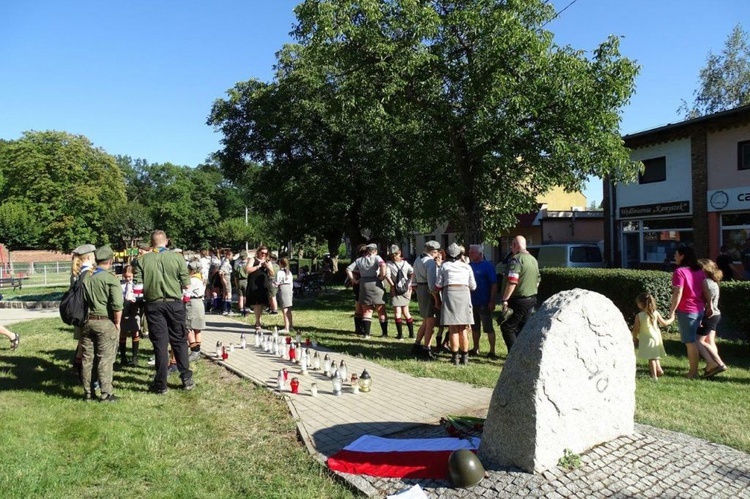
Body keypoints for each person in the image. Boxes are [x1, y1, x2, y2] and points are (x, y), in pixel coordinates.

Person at [133, 230, 194, 394]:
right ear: (166, 241)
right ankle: (186, 378)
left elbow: (137, 288)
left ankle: (161, 384)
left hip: (153, 305)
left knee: (160, 344)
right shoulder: (177, 258)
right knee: (179, 341)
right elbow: (187, 286)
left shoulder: (142, 260)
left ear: (151, 242)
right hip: (174, 304)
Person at [81, 245, 123, 402]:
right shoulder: (110, 278)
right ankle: (106, 393)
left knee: (87, 359)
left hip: (87, 322)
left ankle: (87, 393)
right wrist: (117, 323)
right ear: (110, 261)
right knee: (105, 358)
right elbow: (117, 305)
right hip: (104, 322)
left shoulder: (86, 277)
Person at [667, 245, 711, 380]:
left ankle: (693, 372)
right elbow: (706, 289)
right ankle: (707, 364)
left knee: (690, 341)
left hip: (686, 310)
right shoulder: (699, 271)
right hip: (699, 309)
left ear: (682, 256)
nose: (674, 256)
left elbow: (678, 292)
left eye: (676, 254)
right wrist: (710, 305)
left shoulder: (679, 272)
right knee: (694, 340)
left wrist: (672, 310)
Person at [435, 243, 477, 366]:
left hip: (450, 293)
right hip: (464, 294)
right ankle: (465, 357)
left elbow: (438, 285)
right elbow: (473, 286)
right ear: (460, 254)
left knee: (453, 327)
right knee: (463, 328)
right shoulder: (467, 267)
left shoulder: (444, 266)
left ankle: (455, 358)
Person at [499, 236, 540, 352]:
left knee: (507, 327)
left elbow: (512, 281)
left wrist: (505, 299)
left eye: (512, 246)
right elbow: (537, 280)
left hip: (518, 301)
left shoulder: (516, 260)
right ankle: (525, 353)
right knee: (523, 328)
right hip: (531, 299)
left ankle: (513, 355)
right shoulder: (533, 260)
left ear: (514, 245)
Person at [345, 243, 388, 339]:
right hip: (375, 283)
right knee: (381, 310)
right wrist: (382, 276)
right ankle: (384, 334)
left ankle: (367, 334)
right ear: (375, 250)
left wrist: (354, 280)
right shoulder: (377, 257)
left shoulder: (359, 260)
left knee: (367, 310)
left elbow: (348, 269)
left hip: (364, 284)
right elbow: (383, 265)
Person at [70, 243, 97, 381]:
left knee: (81, 343)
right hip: (87, 313)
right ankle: (84, 375)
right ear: (89, 256)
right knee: (86, 345)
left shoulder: (76, 272)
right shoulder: (88, 273)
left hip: (77, 312)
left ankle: (77, 368)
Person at [697, 258, 728, 378]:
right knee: (710, 341)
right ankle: (711, 364)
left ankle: (718, 364)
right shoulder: (713, 281)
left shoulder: (706, 282)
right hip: (716, 314)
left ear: (704, 270)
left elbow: (706, 301)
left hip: (708, 315)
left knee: (698, 340)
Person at [632, 292, 673, 380]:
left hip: (647, 339)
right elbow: (664, 323)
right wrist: (672, 319)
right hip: (656, 337)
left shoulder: (639, 316)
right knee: (655, 355)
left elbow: (636, 328)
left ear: (641, 304)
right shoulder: (656, 313)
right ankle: (659, 369)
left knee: (651, 358)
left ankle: (654, 376)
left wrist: (634, 337)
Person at [468, 244, 498, 359]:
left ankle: (492, 351)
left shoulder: (487, 266)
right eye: (470, 252)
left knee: (488, 327)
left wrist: (492, 300)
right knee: (475, 327)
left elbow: (494, 284)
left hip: (484, 302)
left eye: (472, 253)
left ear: (480, 254)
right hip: (472, 302)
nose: (470, 254)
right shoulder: (469, 266)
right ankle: (476, 348)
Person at [412, 240, 440, 359]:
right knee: (430, 322)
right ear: (433, 251)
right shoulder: (430, 263)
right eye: (436, 252)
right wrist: (437, 298)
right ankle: (426, 348)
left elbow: (413, 276)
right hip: (428, 291)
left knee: (425, 320)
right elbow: (432, 283)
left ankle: (417, 344)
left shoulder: (418, 259)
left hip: (420, 288)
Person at [386, 245, 415, 341]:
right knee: (406, 312)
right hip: (406, 289)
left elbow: (388, 276)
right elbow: (412, 273)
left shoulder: (389, 264)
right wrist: (409, 284)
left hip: (396, 290)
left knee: (397, 312)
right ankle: (412, 334)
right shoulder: (406, 264)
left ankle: (400, 335)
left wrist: (393, 286)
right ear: (400, 252)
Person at [244, 245, 275, 331]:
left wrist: (268, 267)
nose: (264, 255)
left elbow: (272, 274)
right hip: (254, 283)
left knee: (261, 303)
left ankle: (259, 320)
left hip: (263, 284)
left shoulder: (268, 261)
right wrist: (258, 266)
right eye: (262, 253)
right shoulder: (253, 259)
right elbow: (247, 270)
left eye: (266, 253)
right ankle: (258, 322)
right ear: (258, 252)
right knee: (257, 303)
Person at [118, 265, 141, 366]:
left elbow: (140, 296)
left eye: (130, 276)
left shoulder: (136, 285)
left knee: (135, 332)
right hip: (123, 310)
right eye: (126, 276)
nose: (128, 279)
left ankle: (134, 357)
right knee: (123, 333)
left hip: (134, 309)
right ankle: (123, 357)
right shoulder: (120, 284)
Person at [186, 259, 207, 362]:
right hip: (200, 302)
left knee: (188, 326)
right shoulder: (201, 278)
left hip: (192, 303)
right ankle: (198, 351)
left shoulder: (192, 280)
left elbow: (187, 291)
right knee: (197, 328)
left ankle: (194, 350)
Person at [275, 257, 295, 332]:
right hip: (289, 288)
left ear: (280, 264)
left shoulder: (280, 272)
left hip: (283, 288)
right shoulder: (289, 272)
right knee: (289, 309)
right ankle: (291, 326)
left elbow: (278, 282)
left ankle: (286, 327)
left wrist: (273, 282)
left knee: (284, 309)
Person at [233, 250, 249, 316]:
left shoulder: (238, 264)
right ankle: (246, 308)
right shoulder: (248, 264)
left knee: (240, 296)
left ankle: (241, 309)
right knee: (245, 296)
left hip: (239, 280)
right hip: (246, 280)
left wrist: (236, 283)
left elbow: (235, 275)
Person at [218, 249, 234, 315]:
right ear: (228, 255)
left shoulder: (225, 261)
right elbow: (220, 272)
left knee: (225, 293)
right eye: (231, 255)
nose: (232, 257)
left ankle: (225, 309)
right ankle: (228, 309)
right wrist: (223, 279)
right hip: (226, 277)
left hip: (226, 277)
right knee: (229, 293)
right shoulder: (226, 263)